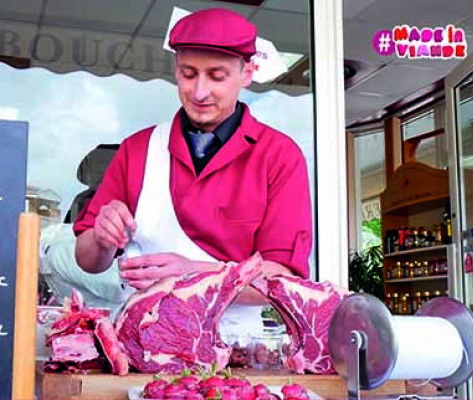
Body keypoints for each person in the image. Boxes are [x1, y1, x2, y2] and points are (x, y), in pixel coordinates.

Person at [73, 8, 312, 332]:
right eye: (188, 74)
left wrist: (193, 273)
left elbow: (282, 280)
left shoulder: (279, 156)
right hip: (140, 344)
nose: (199, 92)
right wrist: (101, 238)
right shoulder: (137, 150)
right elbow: (88, 260)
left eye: (217, 76)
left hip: (237, 353)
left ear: (248, 72)